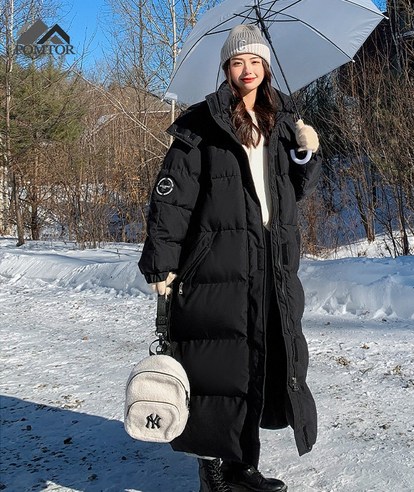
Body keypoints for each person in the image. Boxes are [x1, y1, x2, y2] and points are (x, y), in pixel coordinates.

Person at [139, 24, 321, 492]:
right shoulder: (202, 123)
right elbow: (172, 198)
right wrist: (163, 262)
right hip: (216, 260)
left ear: (266, 67)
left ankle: (244, 467)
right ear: (226, 68)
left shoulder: (279, 121)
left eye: (256, 62)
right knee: (216, 370)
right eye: (238, 62)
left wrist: (305, 155)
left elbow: (293, 191)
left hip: (270, 261)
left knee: (256, 362)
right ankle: (213, 470)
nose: (248, 70)